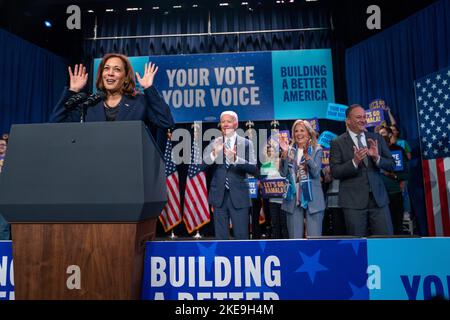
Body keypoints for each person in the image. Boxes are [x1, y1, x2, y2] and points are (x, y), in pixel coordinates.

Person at [49, 53, 174, 132]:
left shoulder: (139, 102)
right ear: (101, 75)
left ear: (125, 77)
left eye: (117, 69)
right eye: (106, 68)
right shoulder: (88, 104)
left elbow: (166, 122)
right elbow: (55, 125)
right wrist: (73, 91)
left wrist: (149, 89)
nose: (110, 73)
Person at [330, 104, 395, 237]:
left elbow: (392, 164)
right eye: (358, 117)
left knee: (386, 242)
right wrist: (354, 162)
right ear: (348, 120)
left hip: (379, 200)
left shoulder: (376, 138)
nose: (363, 120)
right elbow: (335, 171)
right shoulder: (338, 142)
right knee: (358, 246)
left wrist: (377, 157)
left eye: (364, 117)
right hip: (353, 202)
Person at [202, 111, 257, 240]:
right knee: (221, 239)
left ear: (236, 124)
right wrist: (214, 154)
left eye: (229, 121)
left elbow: (253, 169)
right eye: (223, 122)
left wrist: (235, 159)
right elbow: (201, 166)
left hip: (239, 196)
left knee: (241, 237)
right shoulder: (215, 143)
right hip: (219, 197)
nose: (225, 124)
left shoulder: (246, 143)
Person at [280, 120, 325, 239]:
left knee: (314, 241)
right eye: (296, 131)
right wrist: (284, 156)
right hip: (293, 199)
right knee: (295, 240)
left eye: (302, 130)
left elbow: (315, 173)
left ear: (309, 133)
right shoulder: (290, 151)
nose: (299, 134)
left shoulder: (317, 150)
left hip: (313, 199)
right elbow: (283, 173)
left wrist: (307, 157)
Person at [379, 126, 409, 235]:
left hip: (394, 191)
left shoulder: (398, 149)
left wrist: (397, 178)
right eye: (379, 133)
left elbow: (405, 171)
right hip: (380, 194)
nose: (381, 136)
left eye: (383, 133)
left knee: (397, 223)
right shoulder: (376, 152)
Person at [260, 143, 288, 239]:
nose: (271, 153)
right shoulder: (265, 165)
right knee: (275, 224)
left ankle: (285, 245)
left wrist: (279, 164)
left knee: (284, 224)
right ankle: (276, 245)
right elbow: (262, 181)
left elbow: (286, 175)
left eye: (273, 151)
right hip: (272, 200)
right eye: (269, 152)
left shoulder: (283, 162)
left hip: (284, 200)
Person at [0, 138, 11, 240]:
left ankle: (3, 249)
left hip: (5, 197)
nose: (1, 146)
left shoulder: (11, 159)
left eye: (3, 144)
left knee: (3, 227)